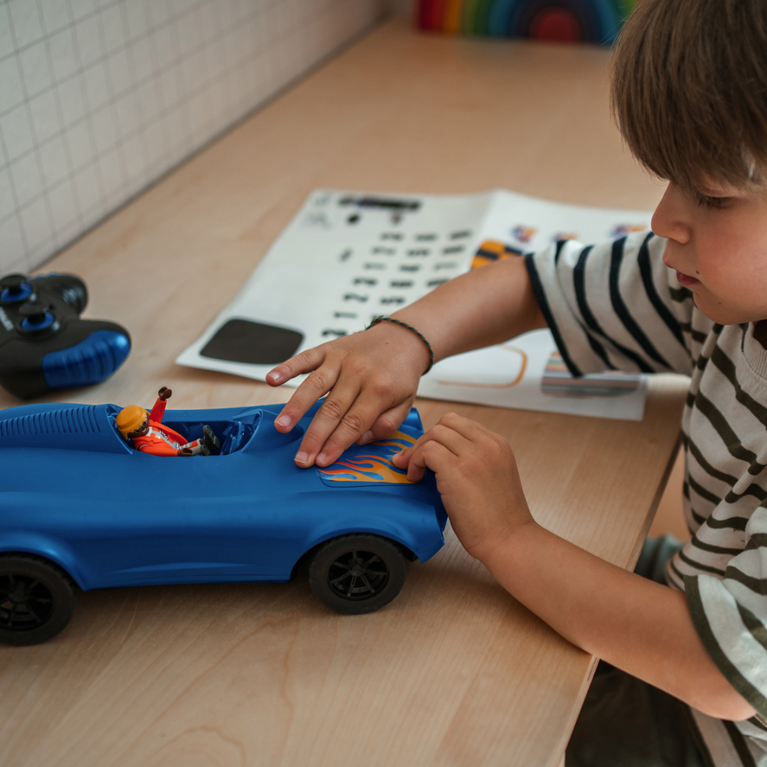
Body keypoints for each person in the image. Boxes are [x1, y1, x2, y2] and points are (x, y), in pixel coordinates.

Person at [267, 0, 767, 763]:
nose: (663, 216)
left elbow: (719, 671)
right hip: (699, 599)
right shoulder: (729, 292)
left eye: (712, 196)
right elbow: (537, 284)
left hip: (711, 732)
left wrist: (508, 536)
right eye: (671, 181)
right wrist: (405, 337)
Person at [116, 387, 220, 457]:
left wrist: (162, 399)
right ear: (129, 434)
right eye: (138, 429)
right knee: (190, 453)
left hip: (175, 444)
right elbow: (158, 452)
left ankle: (206, 441)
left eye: (144, 422)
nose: (144, 428)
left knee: (188, 446)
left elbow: (156, 415)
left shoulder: (151, 424)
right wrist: (177, 453)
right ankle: (202, 451)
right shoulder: (143, 446)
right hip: (173, 454)